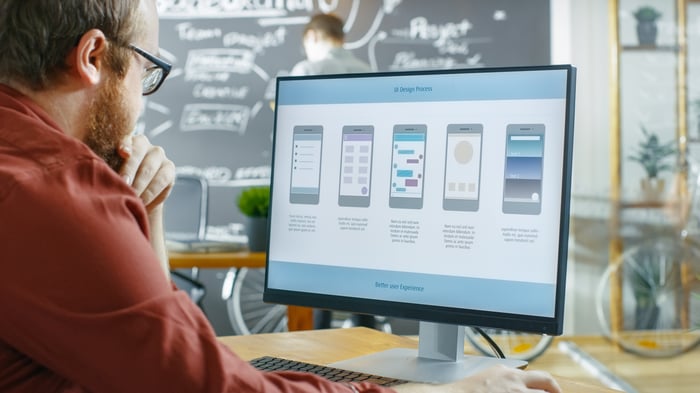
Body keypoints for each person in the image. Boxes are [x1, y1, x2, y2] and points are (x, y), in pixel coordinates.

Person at [0, 1, 561, 392]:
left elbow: (159, 349)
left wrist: (148, 214)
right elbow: (201, 386)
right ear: (94, 57)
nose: (144, 101)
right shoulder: (52, 188)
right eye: (149, 70)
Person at [290, 12, 377, 330]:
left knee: (321, 277)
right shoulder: (367, 72)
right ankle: (370, 340)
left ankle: (321, 350)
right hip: (363, 188)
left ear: (312, 37)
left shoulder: (307, 70)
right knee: (359, 272)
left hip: (319, 190)